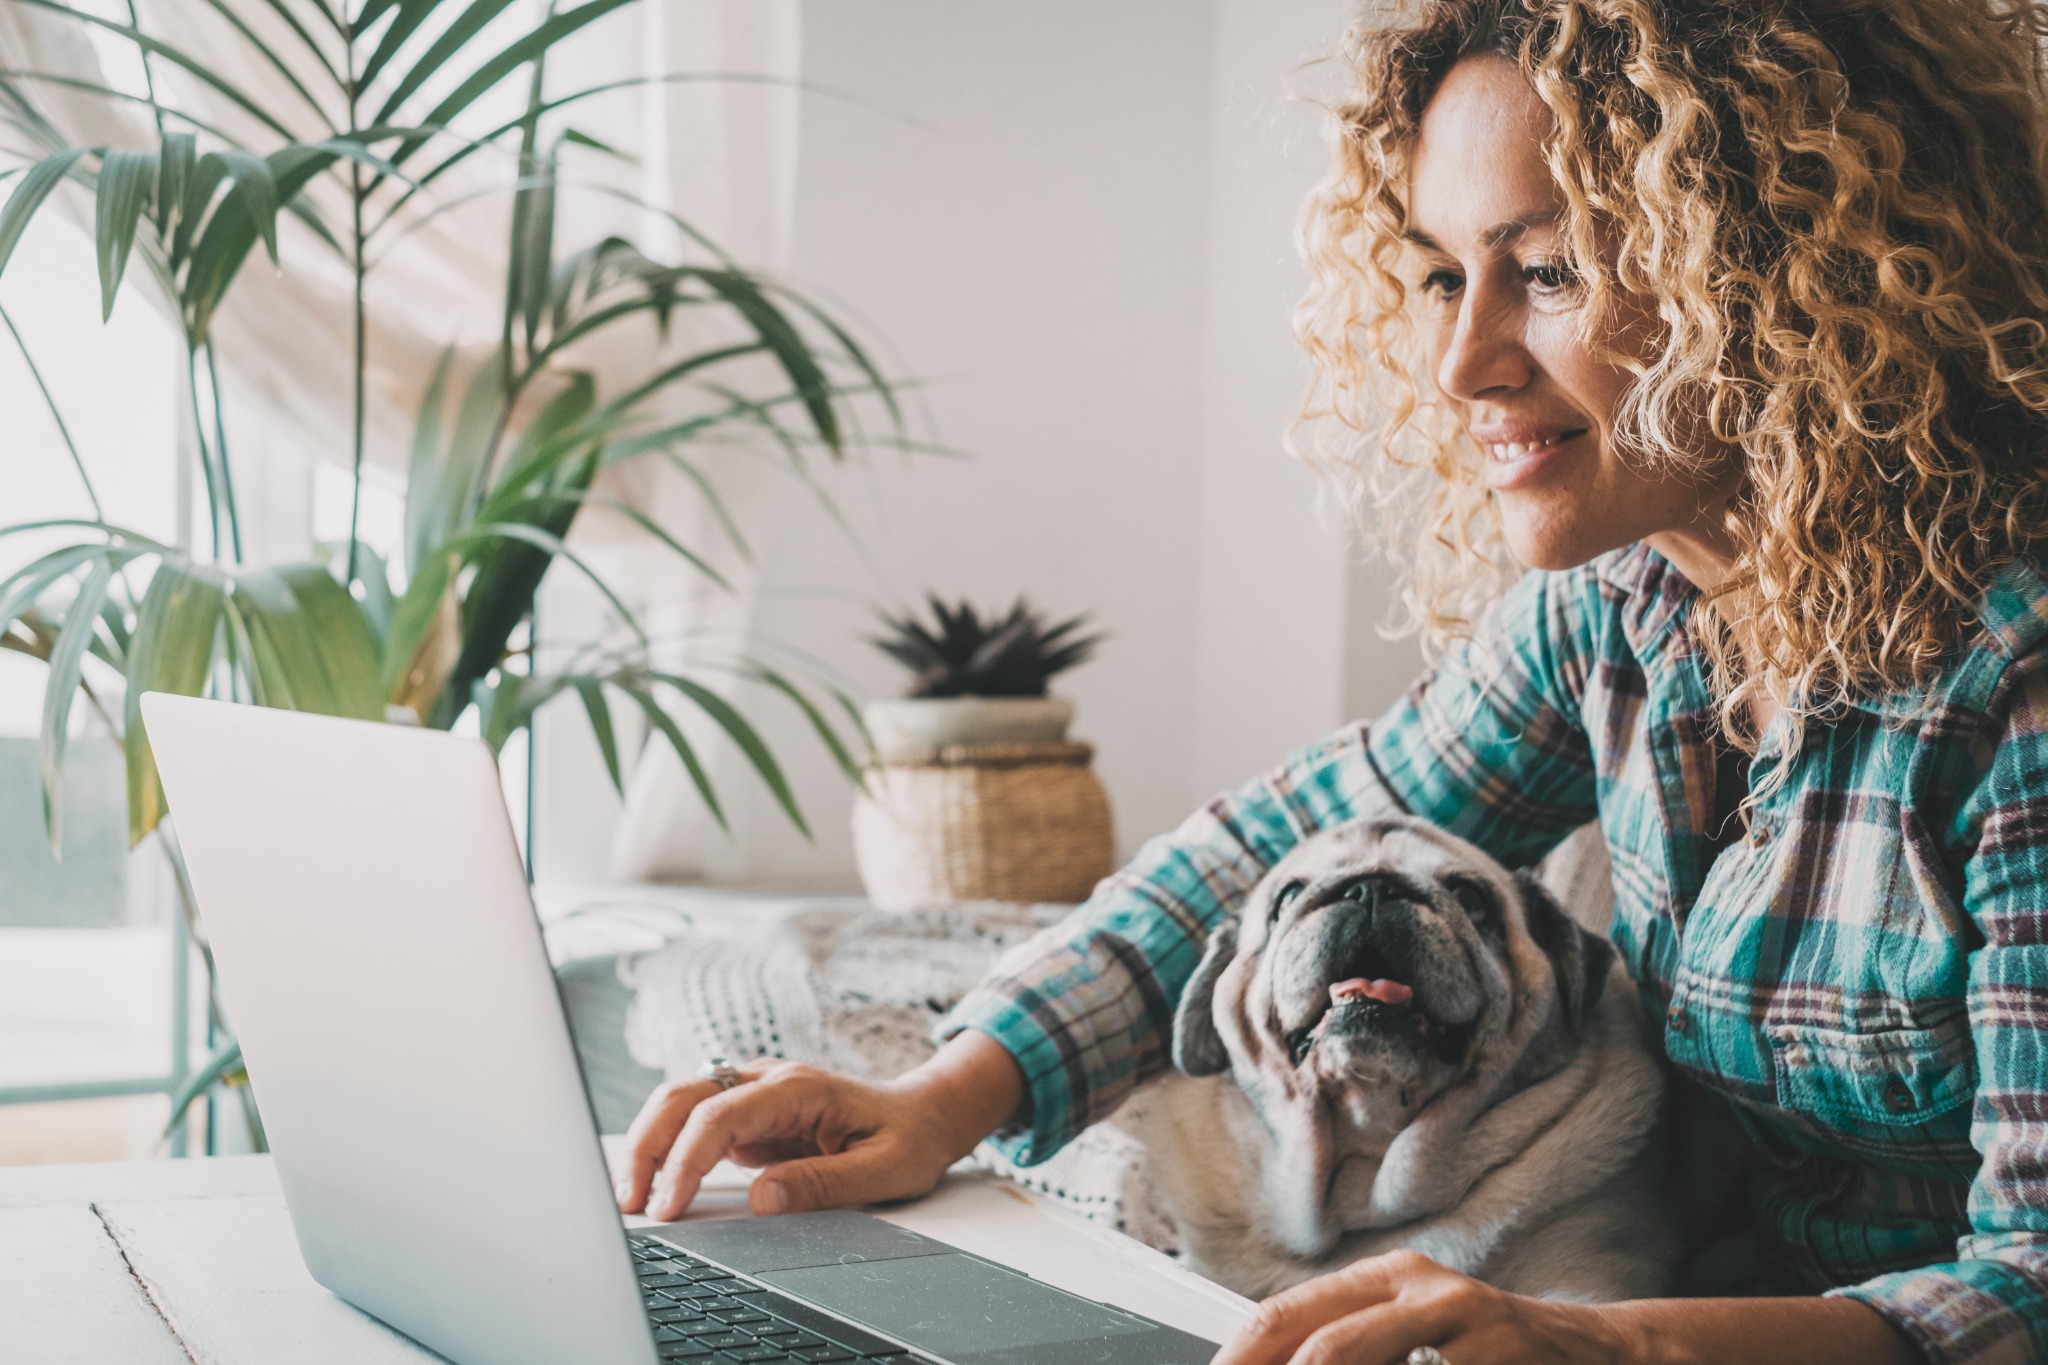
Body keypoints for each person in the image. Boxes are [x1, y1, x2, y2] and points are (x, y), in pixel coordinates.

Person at [615, 1, 2048, 1360]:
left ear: (1792, 276)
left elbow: (2031, 1283)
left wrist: (1604, 1338)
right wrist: (945, 1094)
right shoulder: (1616, 614)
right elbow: (1262, 853)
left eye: (1548, 270)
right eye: (1438, 274)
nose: (1461, 359)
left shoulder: (2018, 695)